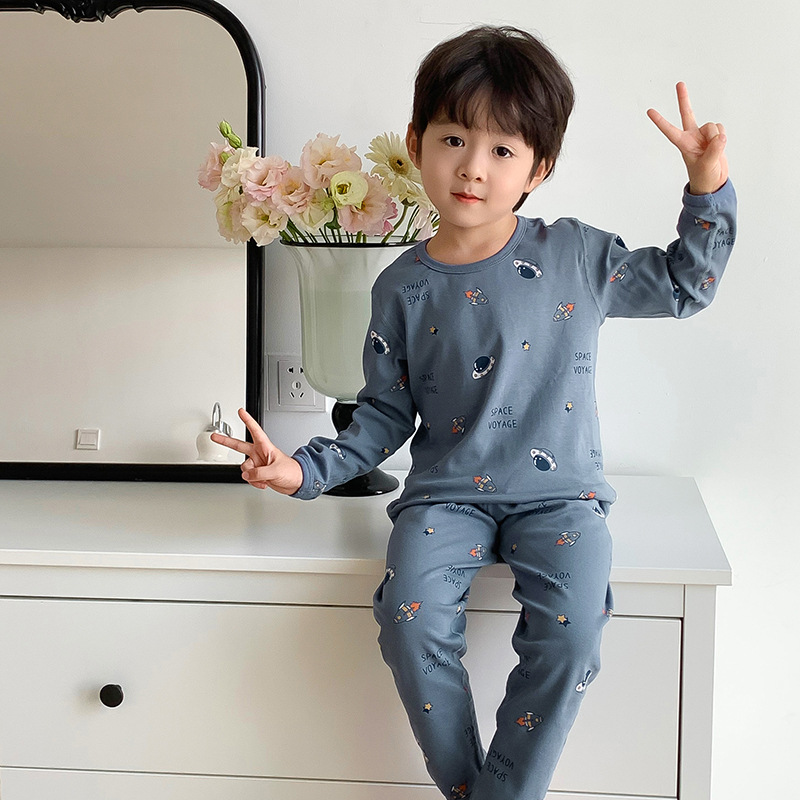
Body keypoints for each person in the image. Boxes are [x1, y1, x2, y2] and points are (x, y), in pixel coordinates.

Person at [212, 25, 735, 800]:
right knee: (408, 619)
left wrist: (706, 187)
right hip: (445, 498)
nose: (472, 167)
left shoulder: (578, 256)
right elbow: (382, 416)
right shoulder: (401, 286)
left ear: (538, 168)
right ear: (416, 143)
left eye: (502, 150)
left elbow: (688, 285)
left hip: (562, 497)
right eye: (454, 139)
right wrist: (303, 470)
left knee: (573, 632)